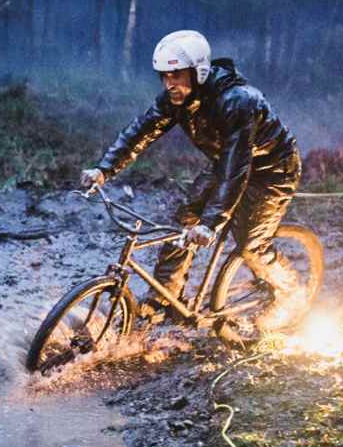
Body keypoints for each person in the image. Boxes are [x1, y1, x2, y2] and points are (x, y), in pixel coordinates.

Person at [80, 30, 303, 331]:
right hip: (226, 163)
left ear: (197, 71)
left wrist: (210, 224)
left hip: (272, 171)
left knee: (251, 243)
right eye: (163, 76)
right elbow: (140, 131)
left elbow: (235, 170)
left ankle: (291, 294)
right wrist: (103, 169)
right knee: (182, 221)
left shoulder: (238, 101)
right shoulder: (176, 98)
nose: (169, 83)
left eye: (176, 75)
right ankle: (165, 298)